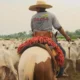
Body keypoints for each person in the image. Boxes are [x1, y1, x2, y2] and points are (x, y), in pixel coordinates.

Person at [29, 0, 71, 78]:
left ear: (37, 8)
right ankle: (60, 73)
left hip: (35, 39)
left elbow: (32, 29)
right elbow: (59, 27)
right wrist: (66, 36)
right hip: (48, 39)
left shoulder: (33, 17)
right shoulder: (51, 15)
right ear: (44, 7)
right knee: (62, 52)